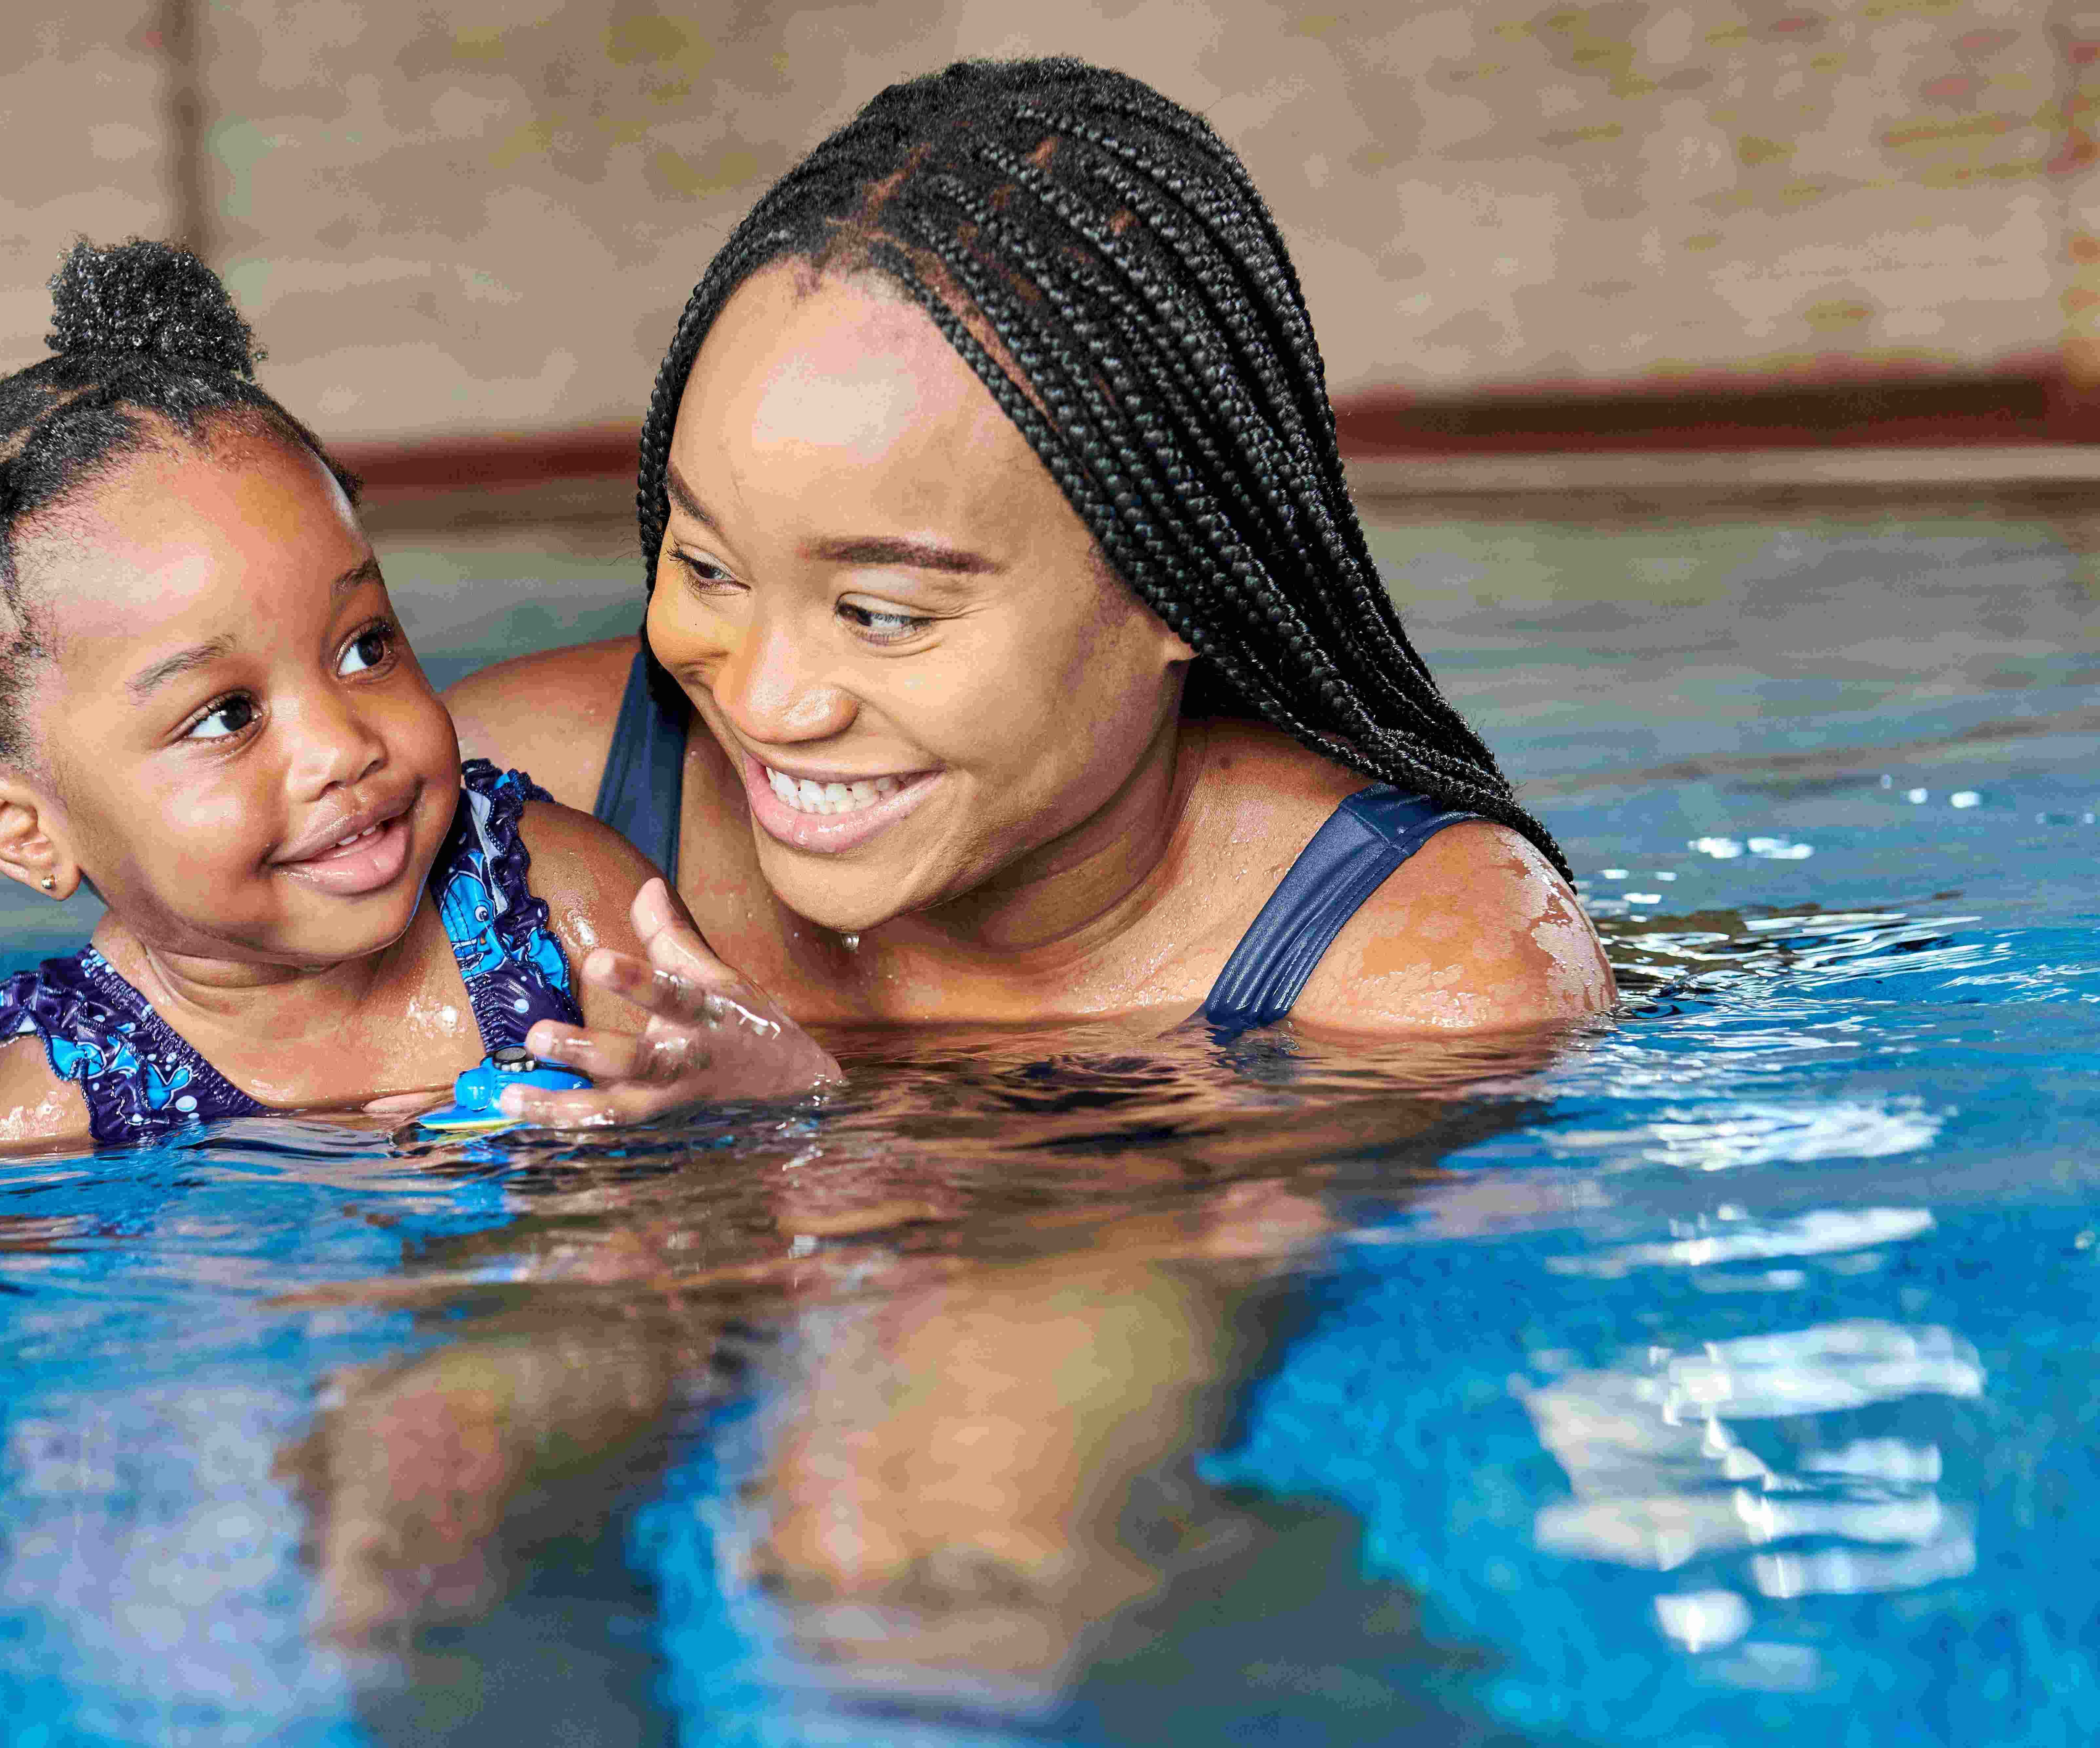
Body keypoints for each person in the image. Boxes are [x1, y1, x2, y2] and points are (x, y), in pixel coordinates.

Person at [447, 58, 1615, 1128]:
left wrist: (806, 1123)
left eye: (884, 615)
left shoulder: (1423, 976)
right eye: (709, 570)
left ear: (1178, 588)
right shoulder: (507, 803)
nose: (762, 698)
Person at [0, 238, 835, 1151]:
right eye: (226, 716)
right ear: (25, 831)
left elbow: (775, 1137)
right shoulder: (46, 1109)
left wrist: (776, 1092)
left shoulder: (562, 911)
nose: (342, 746)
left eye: (365, 647)